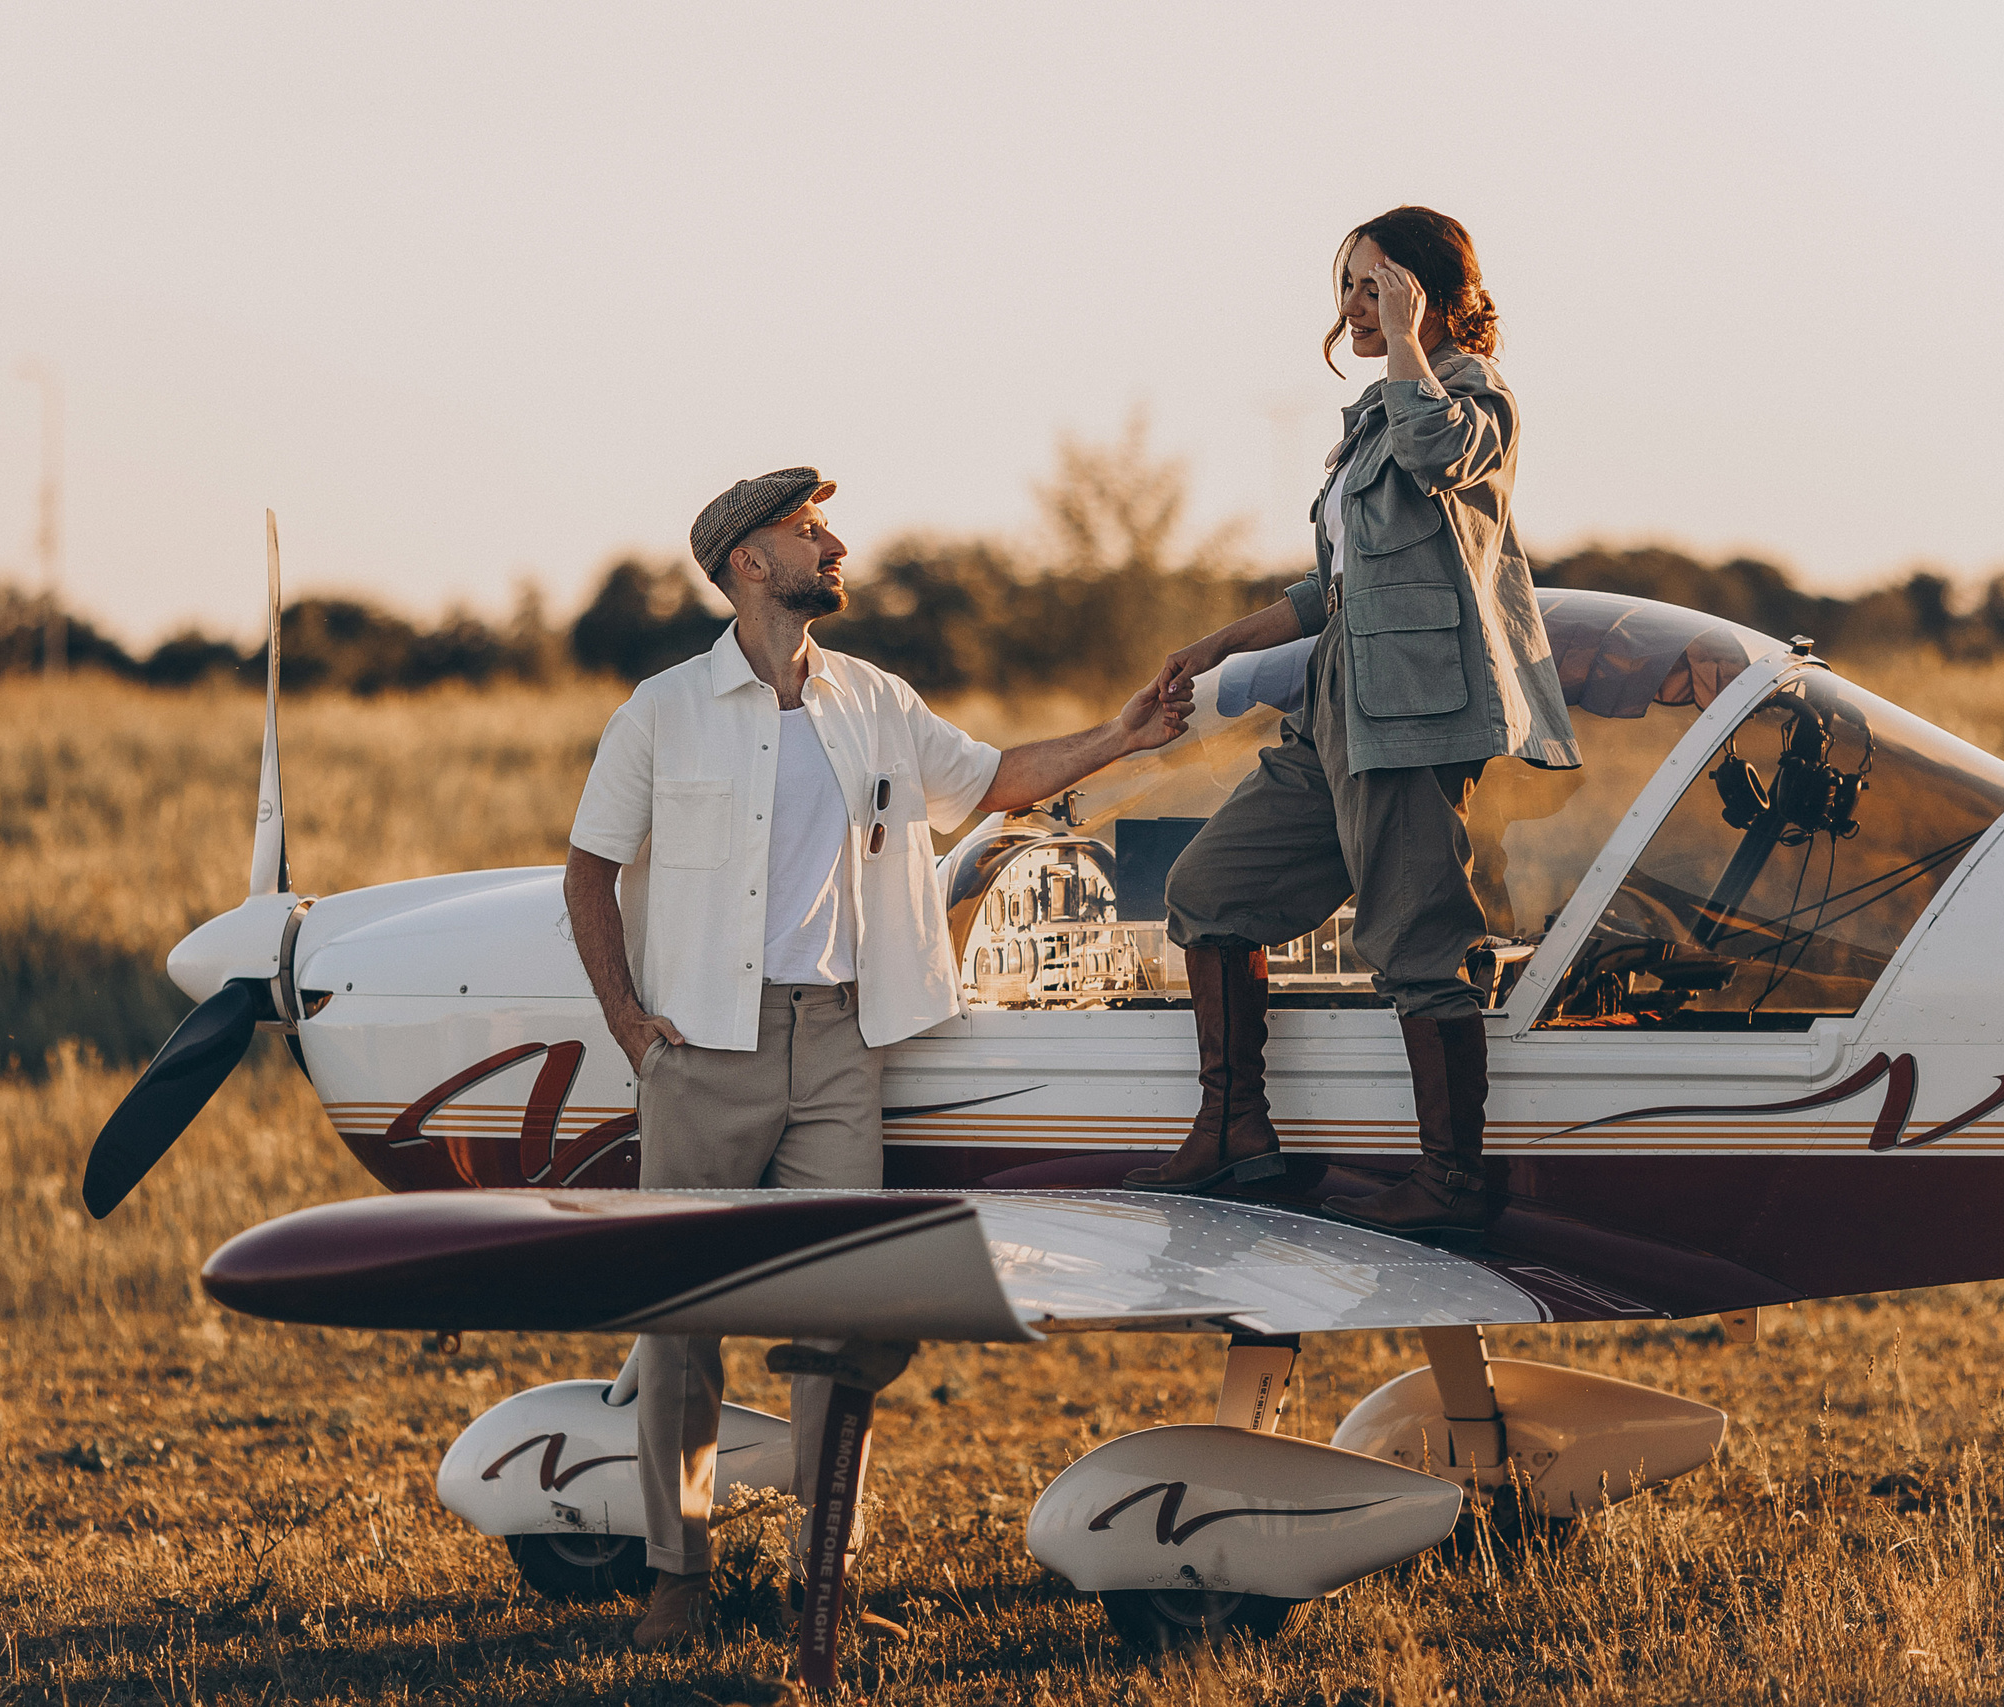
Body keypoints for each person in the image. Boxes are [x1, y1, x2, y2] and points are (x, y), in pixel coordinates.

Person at [563, 466, 1186, 1650]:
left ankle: (821, 1587)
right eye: (808, 532)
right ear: (749, 562)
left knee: (840, 1322)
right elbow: (589, 867)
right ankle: (675, 1581)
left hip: (843, 1045)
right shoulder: (660, 710)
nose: (832, 543)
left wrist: (1121, 735)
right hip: (703, 1051)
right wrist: (630, 1026)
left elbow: (991, 781)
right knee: (681, 1327)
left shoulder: (873, 700)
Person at [1124, 207, 1578, 1236]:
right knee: (1207, 890)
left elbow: (1440, 458)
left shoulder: (1469, 398)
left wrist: (1414, 345)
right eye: (1347, 290)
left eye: (1372, 287)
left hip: (1410, 714)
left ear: (1425, 292)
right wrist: (1217, 646)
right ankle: (1236, 1134)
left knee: (1415, 937)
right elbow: (1327, 588)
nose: (1353, 310)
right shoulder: (1374, 415)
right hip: (1333, 709)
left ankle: (1452, 1187)